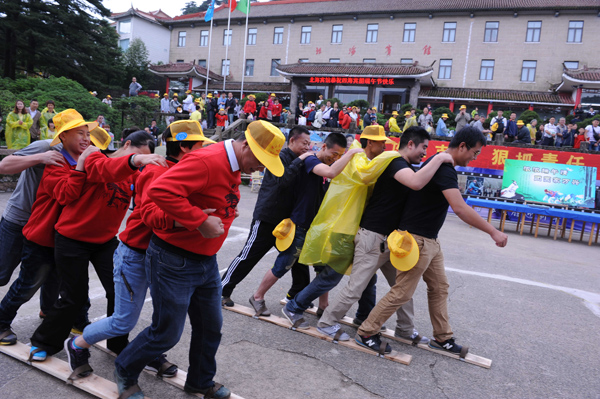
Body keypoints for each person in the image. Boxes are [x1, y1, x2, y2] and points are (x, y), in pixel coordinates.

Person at [113, 121, 285, 399]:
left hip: (205, 260)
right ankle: (125, 368)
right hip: (173, 259)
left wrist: (225, 213)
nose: (261, 168)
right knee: (166, 332)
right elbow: (160, 192)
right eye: (261, 160)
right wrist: (199, 220)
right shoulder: (208, 161)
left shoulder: (230, 164)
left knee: (210, 327)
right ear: (245, 146)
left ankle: (200, 381)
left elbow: (212, 195)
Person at [64, 121, 214, 380]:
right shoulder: (157, 170)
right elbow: (151, 215)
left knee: (163, 317)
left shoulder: (186, 171)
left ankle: (147, 351)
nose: (205, 153)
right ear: (185, 147)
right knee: (123, 321)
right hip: (136, 254)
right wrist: (194, 219)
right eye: (201, 147)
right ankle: (77, 345)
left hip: (164, 257)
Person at [356, 126, 508, 355]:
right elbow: (459, 208)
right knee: (403, 292)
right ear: (463, 146)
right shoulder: (444, 167)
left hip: (430, 241)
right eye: (474, 152)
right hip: (417, 240)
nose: (475, 157)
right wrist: (493, 231)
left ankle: (442, 337)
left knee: (439, 287)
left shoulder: (442, 164)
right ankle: (367, 331)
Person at [28, 130, 164, 361]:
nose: (143, 162)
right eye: (141, 155)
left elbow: (151, 191)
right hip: (72, 240)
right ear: (127, 144)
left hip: (105, 242)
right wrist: (136, 160)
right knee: (74, 297)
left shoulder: (134, 174)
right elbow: (107, 170)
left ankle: (118, 343)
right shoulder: (94, 156)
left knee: (118, 293)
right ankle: (43, 342)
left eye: (146, 158)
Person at [317, 126, 454, 341]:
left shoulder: (405, 165)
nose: (425, 153)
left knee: (402, 289)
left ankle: (405, 330)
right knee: (356, 288)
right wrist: (439, 158)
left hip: (390, 240)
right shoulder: (394, 163)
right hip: (373, 236)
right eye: (423, 148)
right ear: (410, 144)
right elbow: (416, 183)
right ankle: (326, 323)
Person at [0, 110, 111, 347]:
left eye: (87, 133)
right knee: (21, 280)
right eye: (79, 133)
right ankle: (1, 321)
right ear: (62, 136)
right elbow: (5, 165)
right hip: (26, 222)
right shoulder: (49, 151)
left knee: (62, 281)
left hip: (62, 235)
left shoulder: (83, 157)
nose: (86, 138)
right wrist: (41, 158)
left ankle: (60, 316)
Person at [248, 133, 364, 317]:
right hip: (301, 223)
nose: (336, 158)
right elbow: (331, 173)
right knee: (283, 264)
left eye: (339, 156)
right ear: (323, 147)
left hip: (317, 227)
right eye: (334, 154)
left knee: (321, 266)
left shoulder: (328, 163)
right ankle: (257, 296)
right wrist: (351, 154)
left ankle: (323, 306)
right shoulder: (311, 160)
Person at [221, 126, 312, 306]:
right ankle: (221, 290)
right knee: (249, 256)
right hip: (268, 216)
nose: (307, 147)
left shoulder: (303, 162)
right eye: (304, 143)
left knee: (297, 258)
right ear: (292, 141)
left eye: (309, 144)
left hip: (287, 221)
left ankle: (298, 295)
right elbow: (283, 180)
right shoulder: (279, 158)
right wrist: (301, 159)